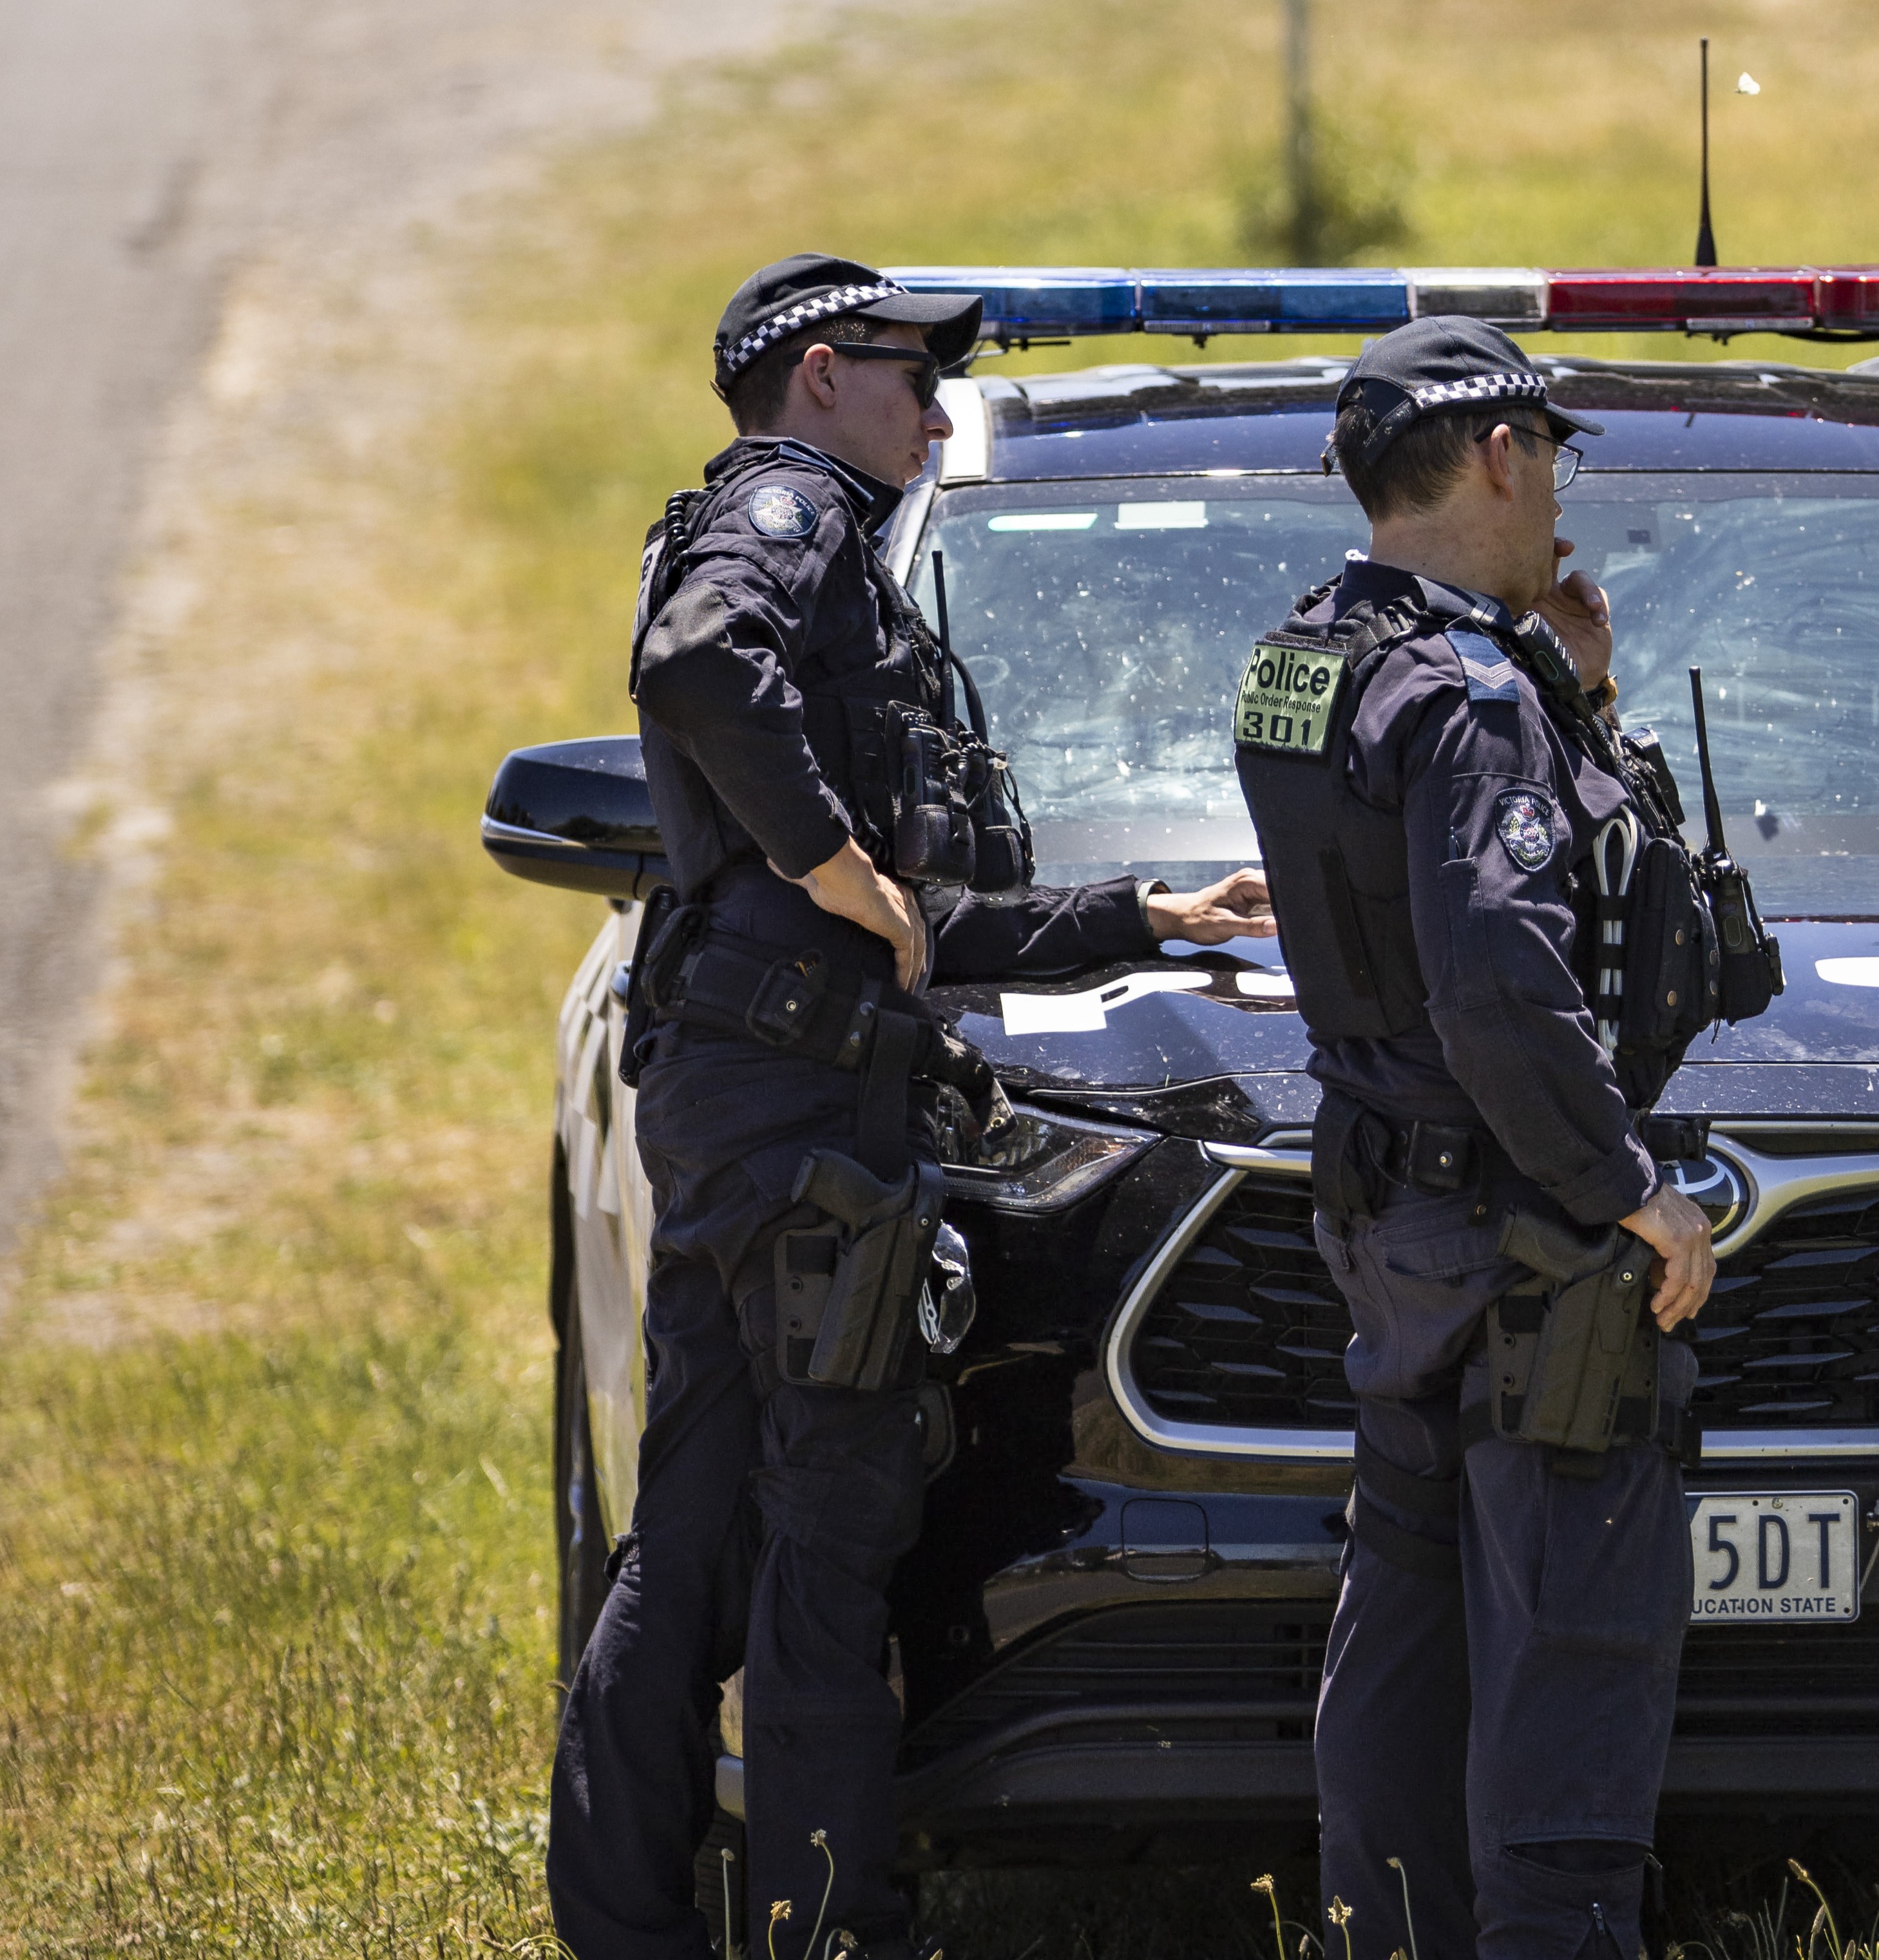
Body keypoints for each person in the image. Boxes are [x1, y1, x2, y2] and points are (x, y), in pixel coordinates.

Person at [546, 252, 1273, 1960]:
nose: (934, 406)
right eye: (906, 370)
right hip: (806, 1114)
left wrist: (1146, 915)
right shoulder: (787, 521)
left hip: (754, 1091)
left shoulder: (814, 540)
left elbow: (915, 914)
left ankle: (628, 1920)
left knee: (693, 1527)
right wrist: (830, 859)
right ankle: (830, 1926)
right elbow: (696, 661)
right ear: (812, 370)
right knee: (827, 1536)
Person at [1232, 316, 1725, 1960]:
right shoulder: (1466, 696)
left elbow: (1389, 883)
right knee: (1572, 1644)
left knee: (1409, 1621)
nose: (1563, 502)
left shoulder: (1311, 656)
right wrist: (1633, 1194)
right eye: (1555, 459)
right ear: (1498, 452)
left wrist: (1571, 688)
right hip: (1520, 1228)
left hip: (1387, 1213)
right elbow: (1504, 989)